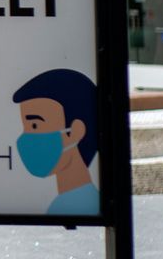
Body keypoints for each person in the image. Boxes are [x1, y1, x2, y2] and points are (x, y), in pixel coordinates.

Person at [12, 68, 99, 215]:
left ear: (75, 131)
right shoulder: (67, 203)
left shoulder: (75, 204)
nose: (25, 139)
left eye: (34, 125)